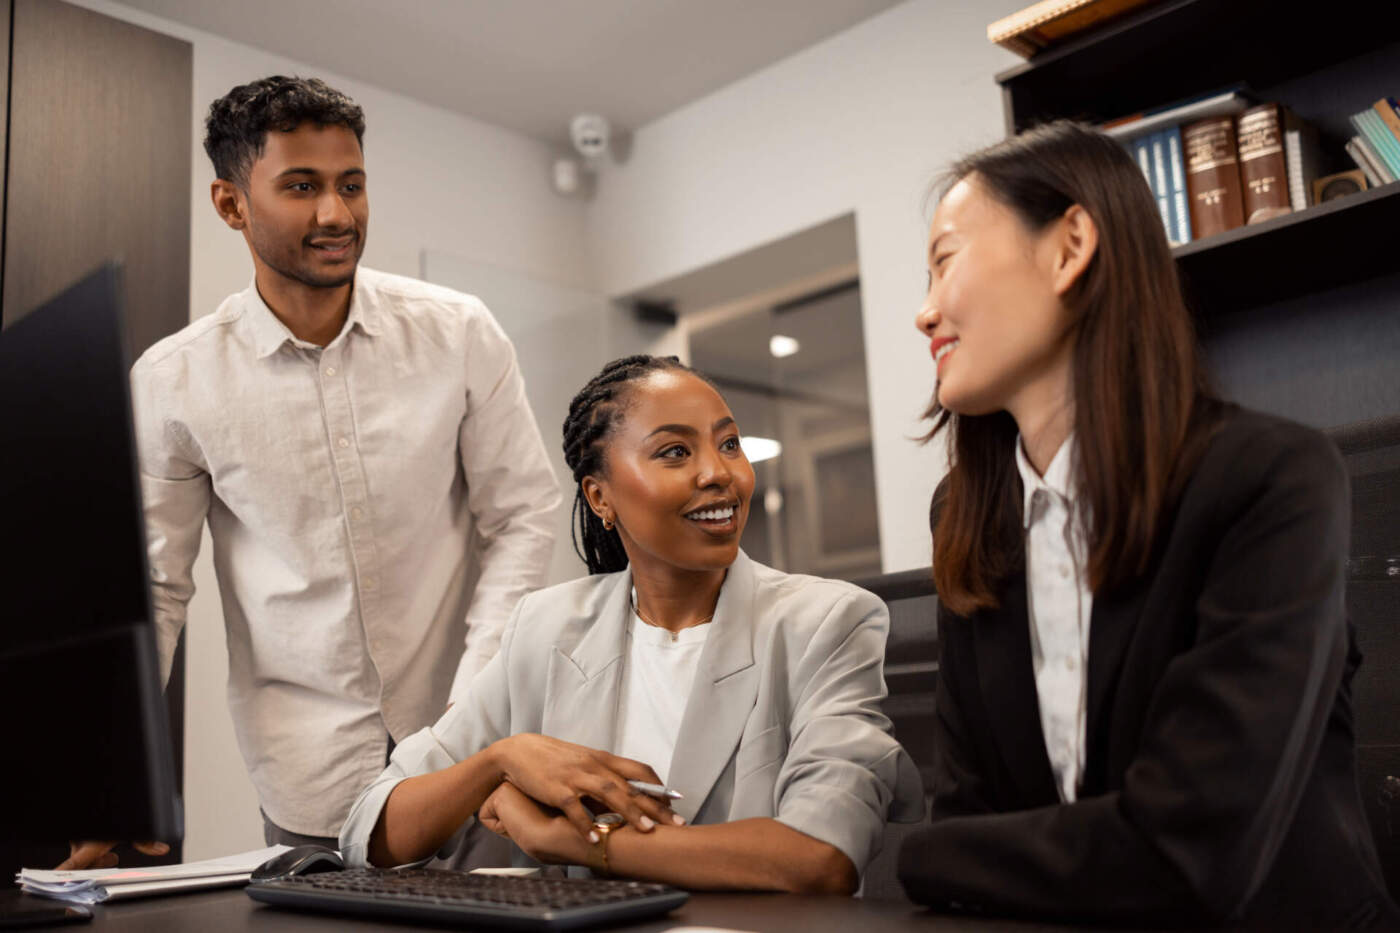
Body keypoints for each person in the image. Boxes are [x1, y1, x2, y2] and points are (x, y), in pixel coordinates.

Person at [896, 120, 1397, 928]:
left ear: (1069, 247)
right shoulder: (965, 513)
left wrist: (912, 858)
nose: (924, 312)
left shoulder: (1270, 478)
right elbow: (965, 818)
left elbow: (1186, 852)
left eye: (944, 260)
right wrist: (943, 854)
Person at [61, 76, 560, 869]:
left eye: (350, 184)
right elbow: (155, 588)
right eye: (302, 187)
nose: (337, 214)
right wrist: (104, 774)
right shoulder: (174, 379)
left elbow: (524, 514)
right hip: (310, 781)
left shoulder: (459, 332)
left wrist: (476, 701)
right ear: (231, 204)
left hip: (480, 757)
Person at [339, 355, 924, 891]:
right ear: (600, 497)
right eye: (675, 451)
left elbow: (822, 857)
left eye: (729, 444)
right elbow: (373, 828)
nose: (719, 473)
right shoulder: (547, 627)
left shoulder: (827, 622)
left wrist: (571, 843)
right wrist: (501, 759)